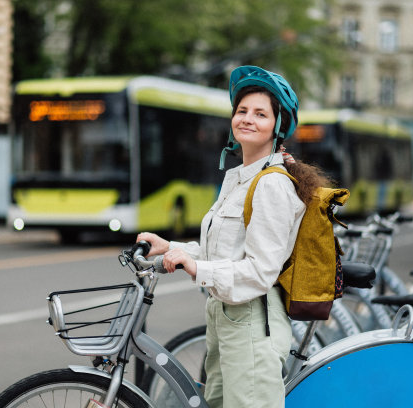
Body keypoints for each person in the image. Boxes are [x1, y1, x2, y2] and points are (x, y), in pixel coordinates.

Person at [137, 65, 329, 408]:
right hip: (226, 317)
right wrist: (172, 248)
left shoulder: (271, 184)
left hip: (253, 324)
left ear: (278, 125)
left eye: (260, 113)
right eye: (242, 111)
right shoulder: (239, 178)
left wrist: (197, 269)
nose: (247, 119)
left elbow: (258, 271)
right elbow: (227, 250)